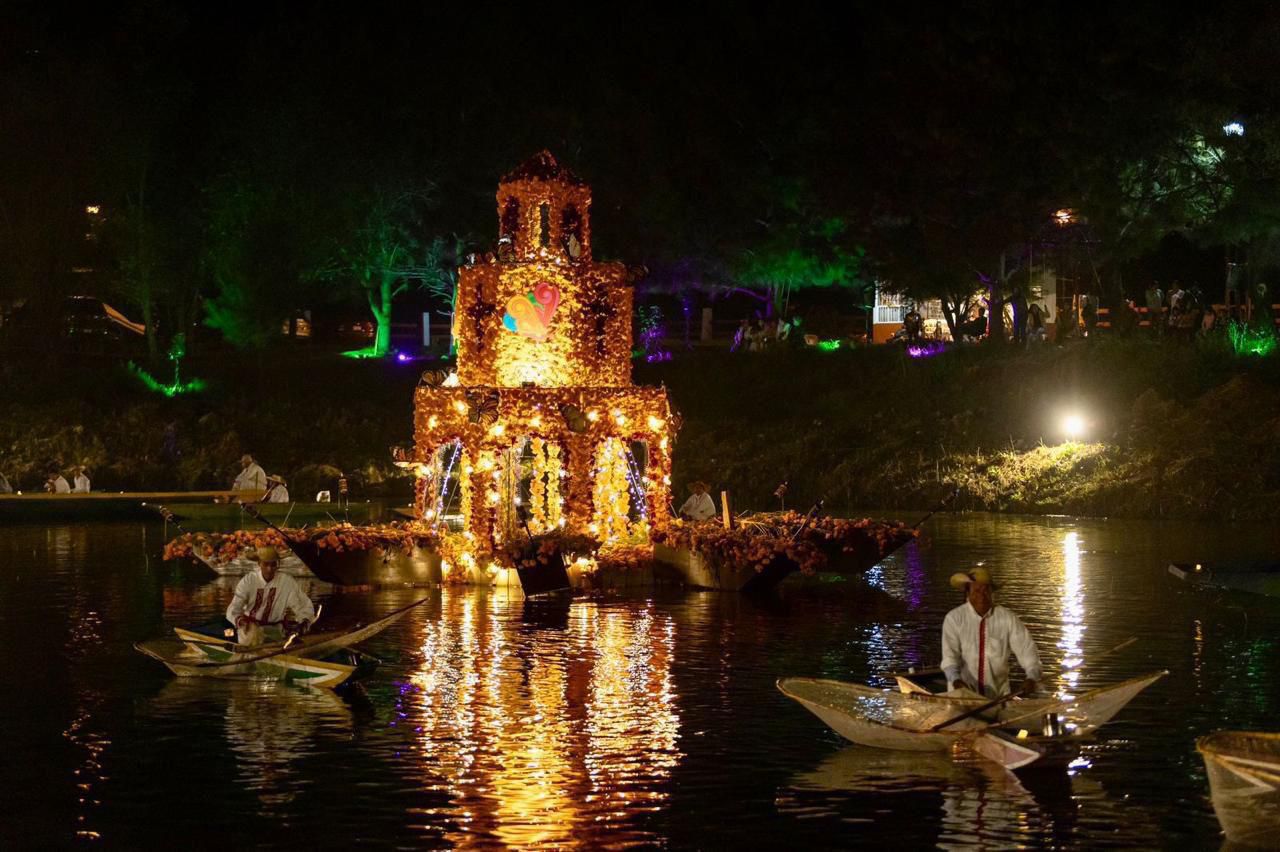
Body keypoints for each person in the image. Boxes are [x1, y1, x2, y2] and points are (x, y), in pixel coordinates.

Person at [941, 567, 1043, 698]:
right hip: (962, 698)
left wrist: (1032, 677)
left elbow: (1027, 651)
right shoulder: (954, 618)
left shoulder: (1007, 618)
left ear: (992, 592)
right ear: (968, 592)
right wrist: (956, 681)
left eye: (986, 590)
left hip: (997, 698)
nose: (982, 596)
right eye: (977, 591)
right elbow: (950, 659)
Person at [226, 546, 315, 646]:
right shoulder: (248, 581)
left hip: (275, 631)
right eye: (266, 564)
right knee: (250, 643)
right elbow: (234, 608)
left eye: (273, 565)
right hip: (249, 631)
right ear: (259, 563)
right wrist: (241, 621)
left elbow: (303, 605)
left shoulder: (286, 582)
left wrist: (304, 620)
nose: (269, 569)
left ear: (277, 564)